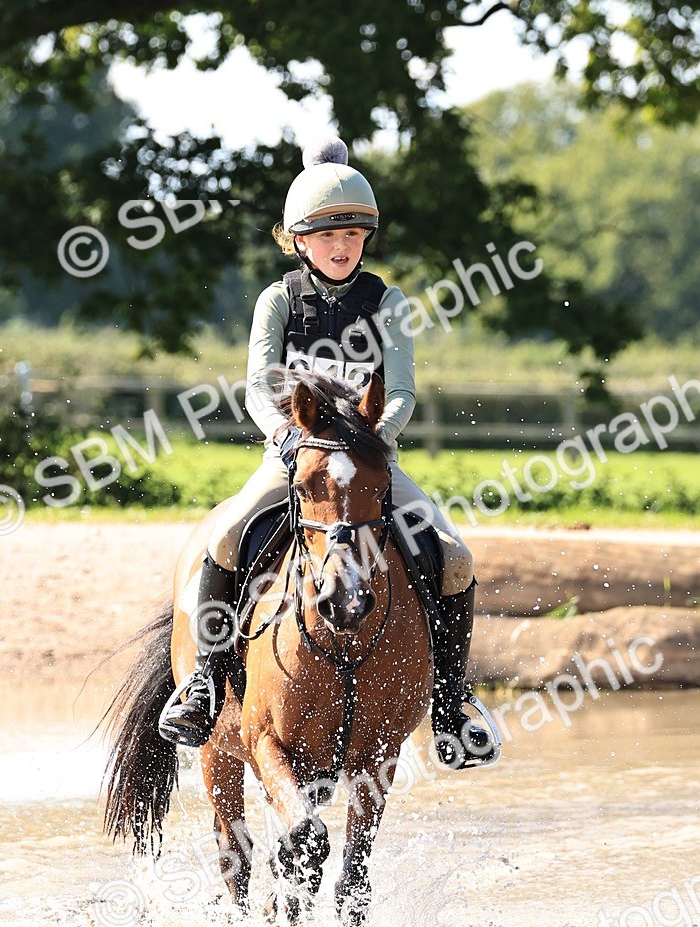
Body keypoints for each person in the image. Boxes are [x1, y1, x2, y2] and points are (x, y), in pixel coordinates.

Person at [159, 137, 492, 767]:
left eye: (355, 235)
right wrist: (286, 440)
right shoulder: (278, 300)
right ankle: (203, 682)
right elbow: (260, 388)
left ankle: (450, 704)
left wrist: (373, 445)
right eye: (327, 235)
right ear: (300, 241)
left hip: (368, 464)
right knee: (225, 538)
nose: (343, 247)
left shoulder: (388, 303)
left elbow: (402, 393)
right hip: (292, 459)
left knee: (453, 557)